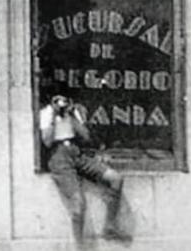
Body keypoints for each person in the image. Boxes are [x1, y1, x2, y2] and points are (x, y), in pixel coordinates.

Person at [39, 92, 130, 245]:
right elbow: (47, 142)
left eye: (64, 99)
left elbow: (86, 136)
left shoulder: (73, 112)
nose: (62, 103)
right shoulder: (46, 113)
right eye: (58, 99)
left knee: (116, 178)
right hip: (58, 156)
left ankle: (110, 226)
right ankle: (79, 247)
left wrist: (72, 116)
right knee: (78, 205)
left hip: (77, 152)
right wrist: (55, 115)